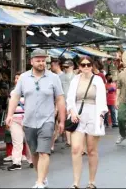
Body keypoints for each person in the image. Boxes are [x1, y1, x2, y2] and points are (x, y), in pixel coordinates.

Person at [6, 49, 66, 188]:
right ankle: (42, 178)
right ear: (31, 61)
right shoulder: (23, 78)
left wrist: (61, 120)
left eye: (43, 61)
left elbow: (60, 99)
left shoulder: (53, 78)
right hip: (29, 122)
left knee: (44, 151)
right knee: (34, 154)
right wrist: (9, 115)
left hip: (47, 121)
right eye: (38, 60)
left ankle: (39, 182)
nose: (41, 63)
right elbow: (15, 97)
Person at [66, 57, 108, 189]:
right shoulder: (75, 79)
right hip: (77, 114)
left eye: (88, 64)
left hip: (93, 114)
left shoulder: (98, 80)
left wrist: (101, 115)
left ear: (92, 66)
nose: (86, 67)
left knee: (91, 150)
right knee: (76, 149)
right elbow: (70, 98)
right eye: (83, 65)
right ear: (79, 66)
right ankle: (75, 182)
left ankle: (91, 181)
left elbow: (102, 99)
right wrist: (72, 112)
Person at [7, 72, 33, 171]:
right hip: (15, 120)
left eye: (19, 78)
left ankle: (32, 160)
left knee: (29, 141)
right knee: (17, 142)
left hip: (28, 120)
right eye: (16, 78)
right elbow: (10, 106)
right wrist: (8, 117)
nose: (17, 80)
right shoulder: (12, 92)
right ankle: (16, 162)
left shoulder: (30, 91)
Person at [56, 60, 75, 150]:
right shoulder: (61, 77)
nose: (65, 69)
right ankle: (68, 141)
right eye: (64, 67)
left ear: (72, 67)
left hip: (75, 102)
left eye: (67, 67)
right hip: (64, 101)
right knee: (66, 120)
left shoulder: (77, 77)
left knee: (73, 119)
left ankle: (73, 139)